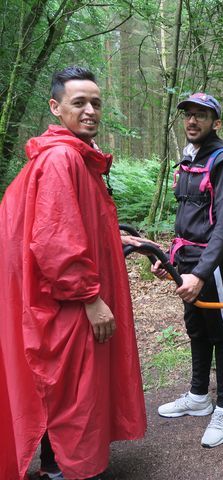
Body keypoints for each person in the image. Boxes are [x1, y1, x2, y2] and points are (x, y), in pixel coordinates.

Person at [0, 66, 147, 479]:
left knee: (66, 386)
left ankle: (59, 465)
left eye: (96, 103)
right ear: (56, 106)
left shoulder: (73, 158)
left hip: (65, 297)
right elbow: (53, 242)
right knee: (71, 390)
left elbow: (70, 222)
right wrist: (90, 299)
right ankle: (65, 469)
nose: (89, 111)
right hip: (67, 302)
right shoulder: (63, 157)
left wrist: (112, 236)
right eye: (79, 102)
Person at [151, 92, 223, 448]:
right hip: (187, 260)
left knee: (222, 333)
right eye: (188, 115)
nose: (192, 121)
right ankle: (198, 396)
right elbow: (188, 218)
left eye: (201, 116)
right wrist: (172, 262)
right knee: (196, 328)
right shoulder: (191, 159)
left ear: (216, 122)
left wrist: (202, 273)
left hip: (213, 265)